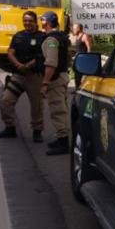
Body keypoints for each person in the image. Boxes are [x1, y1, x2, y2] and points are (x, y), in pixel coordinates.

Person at [0, 11, 46, 142]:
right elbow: (10, 52)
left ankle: (37, 131)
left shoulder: (42, 37)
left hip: (35, 76)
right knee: (6, 100)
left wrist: (28, 65)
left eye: (30, 20)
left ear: (36, 22)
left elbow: (43, 55)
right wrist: (18, 65)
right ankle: (10, 128)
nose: (27, 23)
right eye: (25, 20)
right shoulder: (18, 36)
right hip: (18, 75)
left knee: (36, 105)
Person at [39, 12, 71, 155]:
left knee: (57, 110)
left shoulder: (51, 39)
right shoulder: (62, 37)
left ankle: (63, 141)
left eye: (42, 19)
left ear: (46, 22)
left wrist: (45, 83)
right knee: (62, 108)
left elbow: (51, 63)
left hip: (55, 79)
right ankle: (61, 138)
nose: (41, 21)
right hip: (63, 75)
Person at [68, 23, 93, 88]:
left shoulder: (85, 36)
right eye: (73, 28)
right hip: (76, 59)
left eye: (74, 28)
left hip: (83, 59)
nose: (73, 29)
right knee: (76, 74)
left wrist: (88, 59)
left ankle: (83, 88)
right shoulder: (75, 36)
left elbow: (89, 48)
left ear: (79, 29)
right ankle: (77, 88)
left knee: (80, 75)